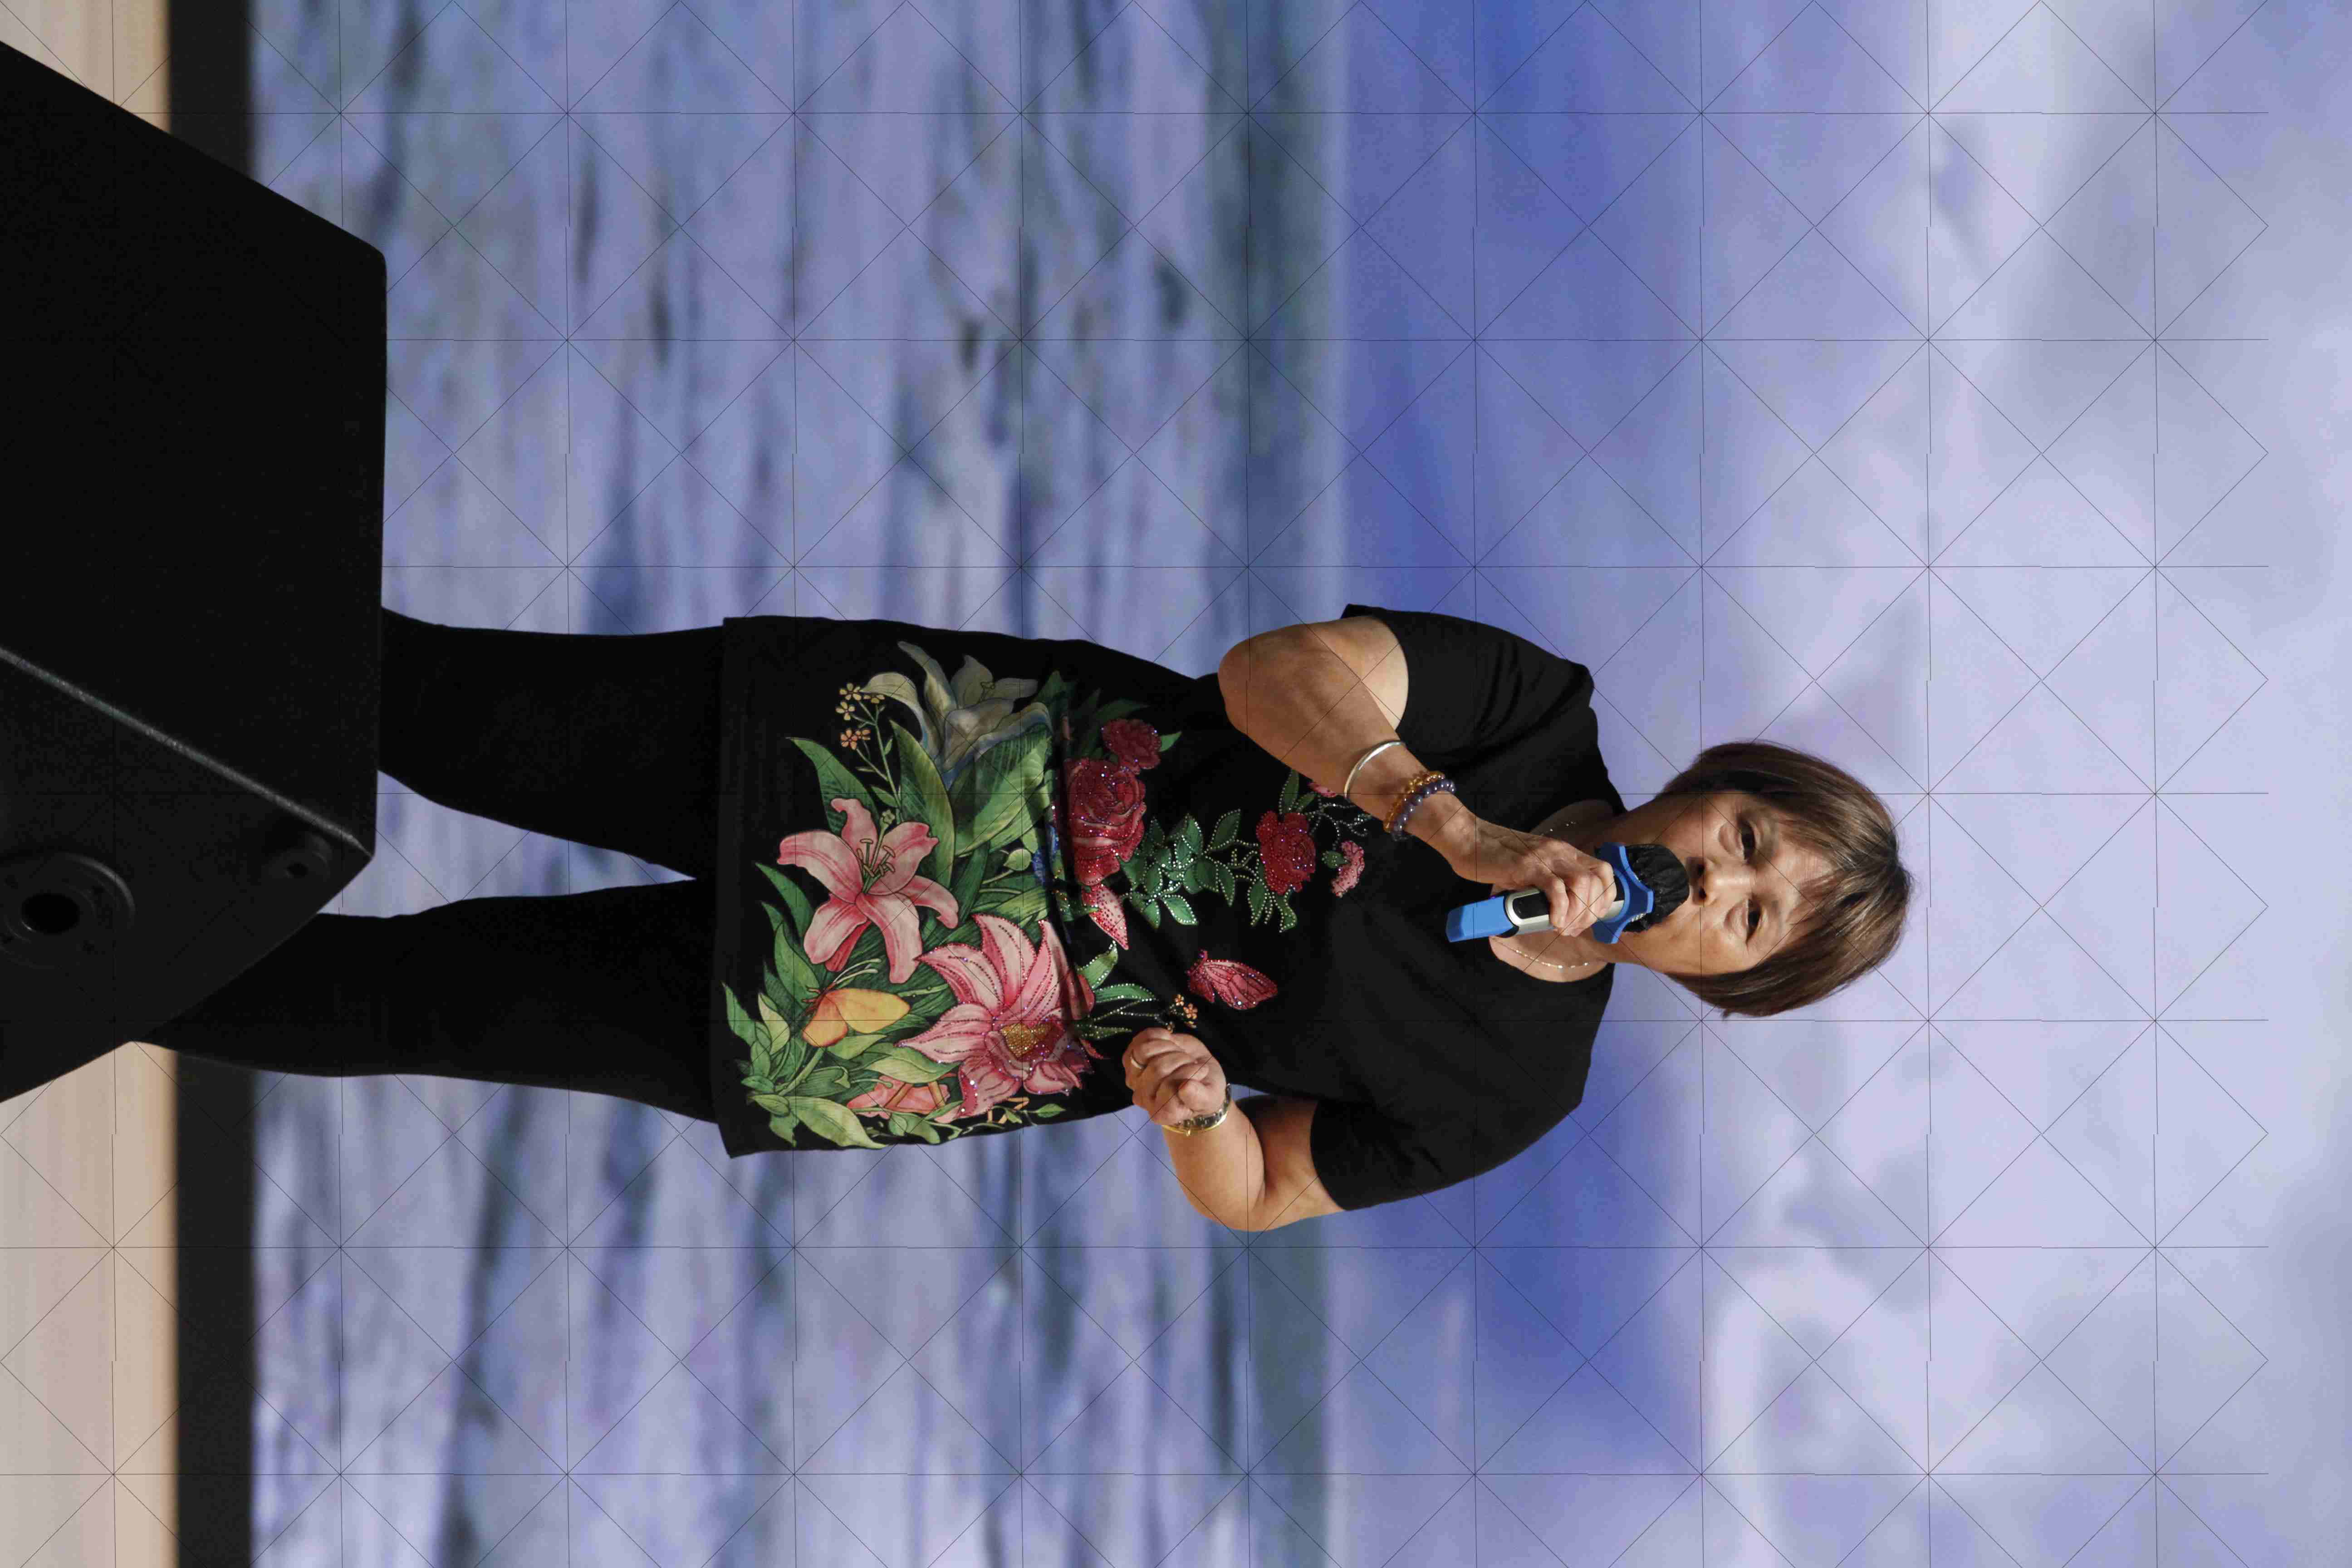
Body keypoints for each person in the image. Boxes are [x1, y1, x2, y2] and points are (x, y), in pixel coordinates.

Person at [118, 603, 1909, 1229]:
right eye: (1748, 835)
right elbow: (1275, 673)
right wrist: (1441, 812)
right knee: (430, 707)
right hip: (895, 756)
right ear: (1711, 783)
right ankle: (78, 629)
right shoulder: (1528, 713)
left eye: (1754, 919)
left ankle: (62, 935)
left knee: (418, 1006)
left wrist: (1196, 1116)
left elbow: (1267, 1193)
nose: (1721, 881)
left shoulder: (1518, 1085)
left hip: (896, 1019)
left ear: (1725, 983)